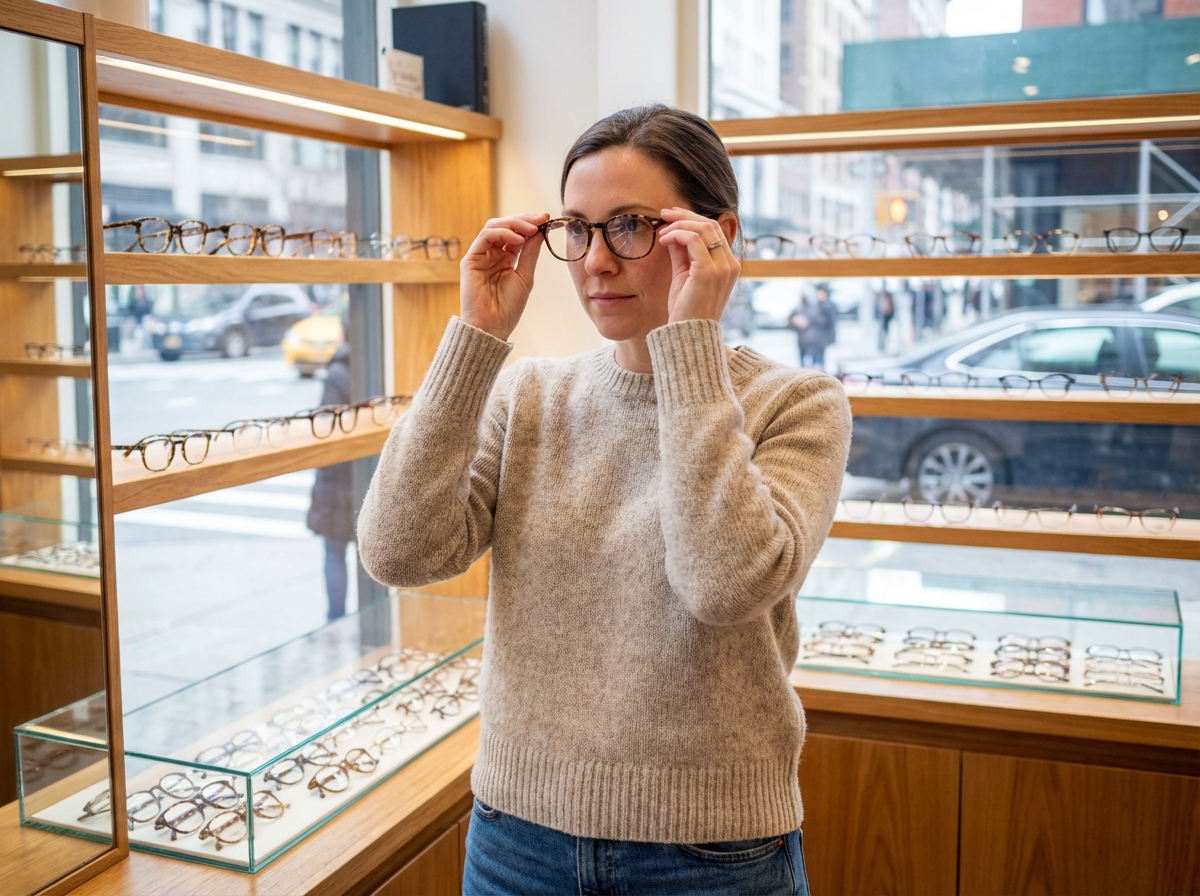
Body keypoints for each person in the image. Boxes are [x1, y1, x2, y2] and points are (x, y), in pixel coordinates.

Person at [358, 104, 851, 895]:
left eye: (631, 226)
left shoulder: (798, 404)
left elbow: (722, 584)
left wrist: (690, 349)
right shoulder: (531, 395)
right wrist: (474, 337)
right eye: (578, 229)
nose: (596, 260)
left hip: (711, 856)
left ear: (716, 234)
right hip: (515, 839)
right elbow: (399, 551)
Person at [306, 340, 354, 621]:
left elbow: (325, 426)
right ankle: (363, 622)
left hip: (337, 479)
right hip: (359, 476)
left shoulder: (338, 372)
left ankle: (336, 619)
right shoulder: (371, 363)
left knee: (334, 550)